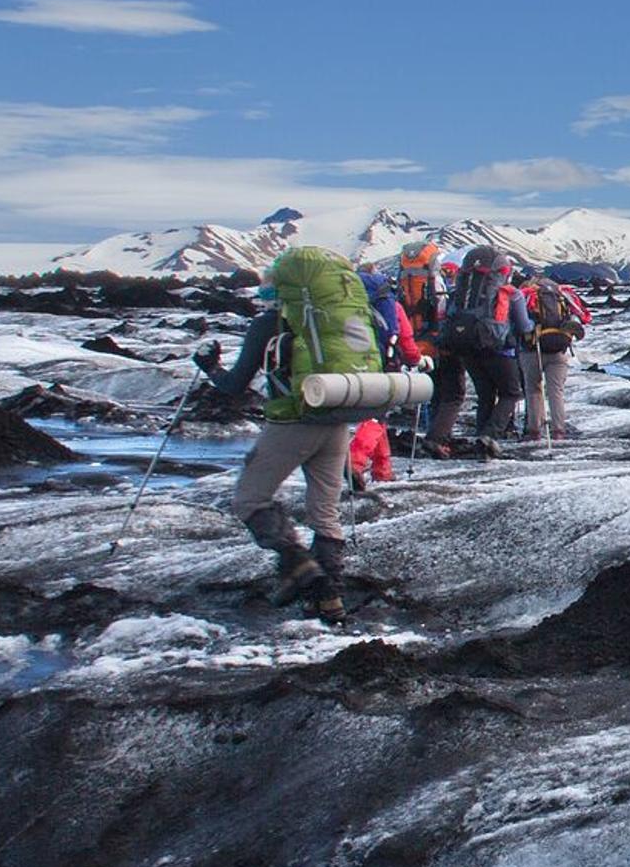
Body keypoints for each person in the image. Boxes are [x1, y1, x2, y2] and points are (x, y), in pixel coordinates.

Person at [209, 242, 389, 620]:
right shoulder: (341, 320)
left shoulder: (270, 325)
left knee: (249, 500)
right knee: (325, 512)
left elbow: (235, 384)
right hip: (337, 417)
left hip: (292, 423)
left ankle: (303, 569)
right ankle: (330, 599)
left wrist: (209, 368)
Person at [440, 245, 528, 453]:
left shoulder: (460, 293)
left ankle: (482, 436)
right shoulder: (510, 293)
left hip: (466, 347)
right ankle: (489, 435)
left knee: (485, 394)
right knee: (511, 392)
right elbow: (524, 326)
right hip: (498, 349)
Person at [393, 241, 458, 457]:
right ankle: (437, 437)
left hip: (416, 340)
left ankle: (430, 428)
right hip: (436, 341)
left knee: (432, 390)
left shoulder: (405, 281)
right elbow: (442, 310)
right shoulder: (435, 282)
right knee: (449, 392)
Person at [524, 273, 587, 440]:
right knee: (556, 391)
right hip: (559, 348)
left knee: (533, 390)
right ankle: (558, 430)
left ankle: (534, 431)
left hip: (532, 349)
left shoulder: (527, 294)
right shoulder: (561, 295)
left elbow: (520, 324)